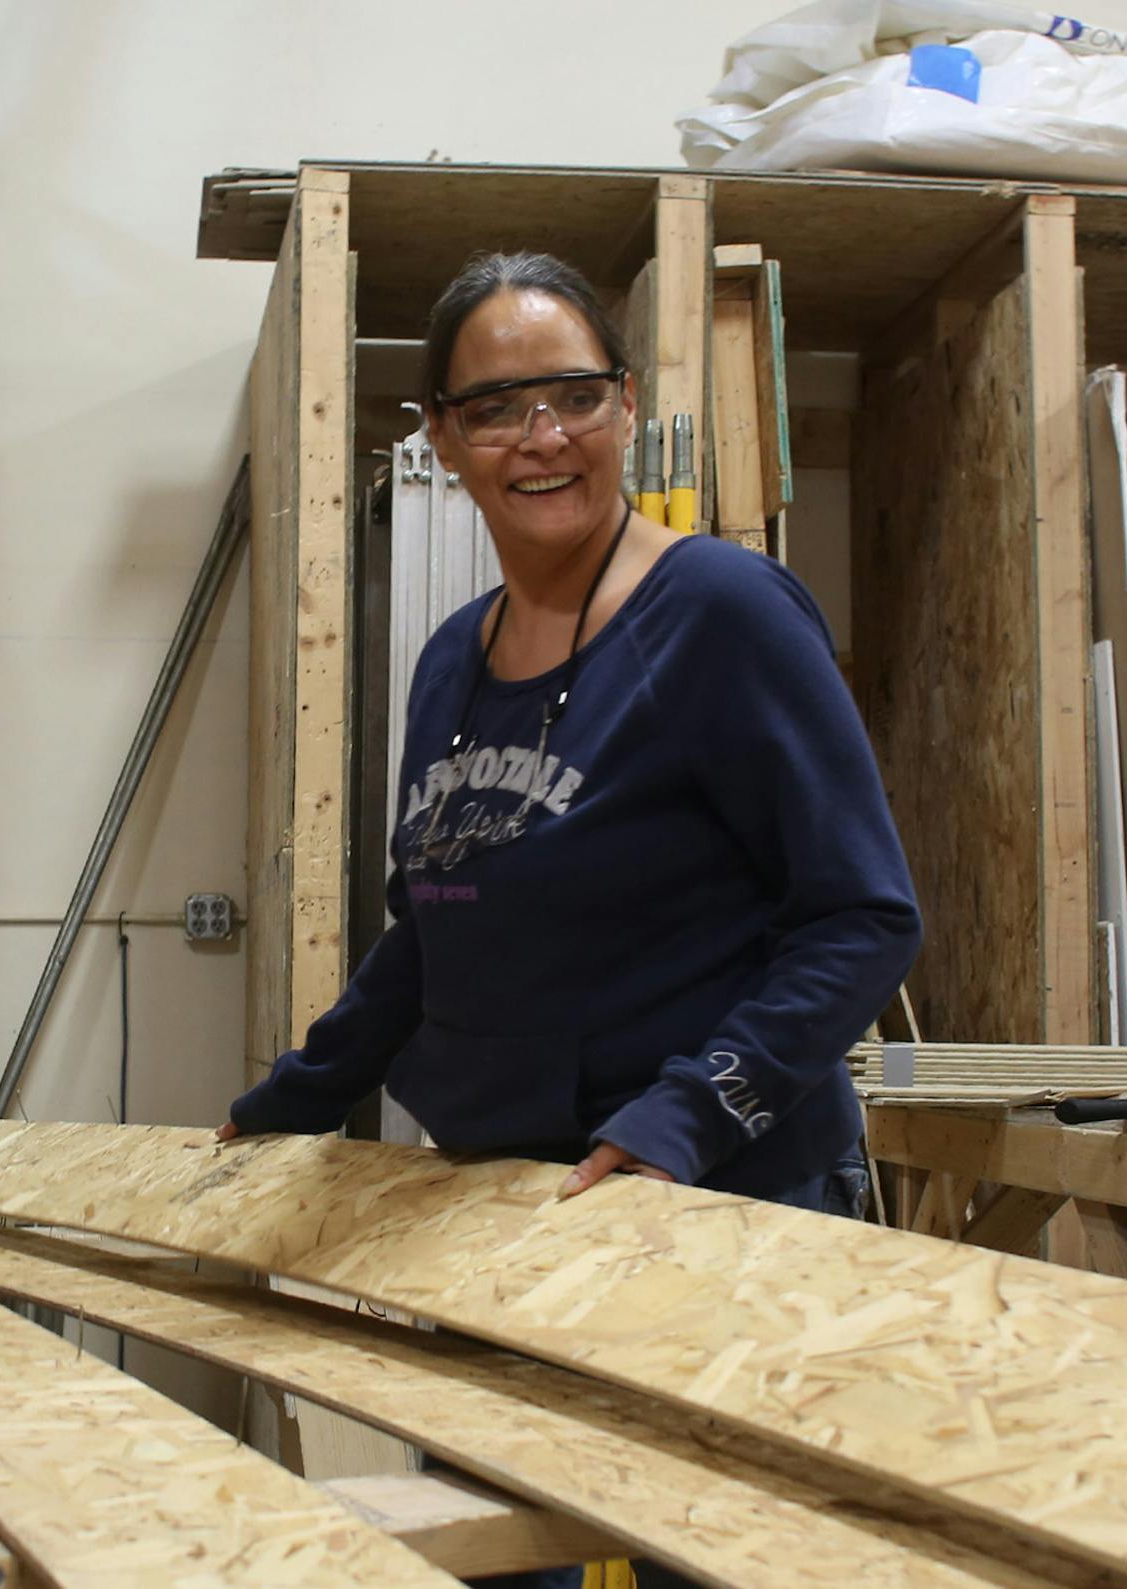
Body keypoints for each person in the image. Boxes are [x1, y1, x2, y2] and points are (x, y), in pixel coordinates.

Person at [218, 252, 921, 1589]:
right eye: (495, 408)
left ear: (624, 403)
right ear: (443, 439)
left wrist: (684, 1119)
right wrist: (297, 1097)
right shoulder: (451, 659)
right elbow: (432, 927)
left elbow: (863, 915)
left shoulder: (720, 614)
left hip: (714, 1197)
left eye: (573, 396)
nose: (541, 436)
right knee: (504, 1558)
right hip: (503, 1211)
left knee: (724, 1560)